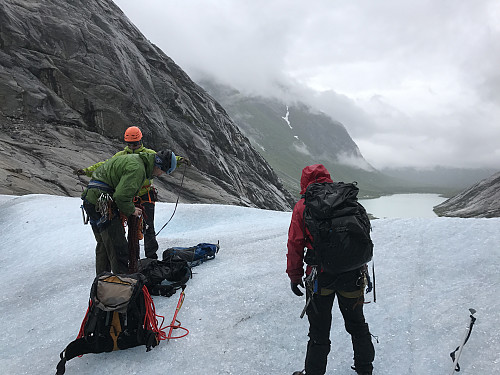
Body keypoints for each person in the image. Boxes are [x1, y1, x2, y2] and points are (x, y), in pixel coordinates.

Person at [287, 164, 375, 375]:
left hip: (320, 278)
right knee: (357, 325)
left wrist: (295, 275)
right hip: (352, 275)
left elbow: (295, 243)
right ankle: (365, 370)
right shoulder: (347, 200)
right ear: (327, 178)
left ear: (304, 182)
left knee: (318, 333)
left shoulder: (303, 206)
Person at [76, 126, 189, 259]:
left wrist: (179, 160)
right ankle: (132, 256)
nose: (133, 146)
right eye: (131, 144)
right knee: (131, 227)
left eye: (135, 143)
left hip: (144, 194)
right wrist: (87, 170)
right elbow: (105, 164)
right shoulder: (124, 156)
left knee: (148, 226)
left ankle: (150, 256)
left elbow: (165, 161)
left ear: (140, 141)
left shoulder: (147, 154)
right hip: (128, 196)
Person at [81, 149, 177, 275]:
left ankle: (102, 284)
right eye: (163, 172)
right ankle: (122, 285)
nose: (160, 175)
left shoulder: (134, 159)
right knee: (118, 248)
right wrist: (131, 210)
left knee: (104, 246)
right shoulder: (138, 169)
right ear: (159, 166)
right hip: (103, 203)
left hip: (91, 201)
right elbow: (121, 197)